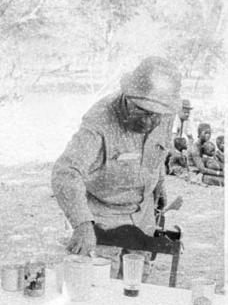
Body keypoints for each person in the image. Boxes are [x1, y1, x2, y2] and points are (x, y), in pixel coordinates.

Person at [51, 56, 182, 279]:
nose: (149, 121)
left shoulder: (165, 111)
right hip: (101, 216)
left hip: (142, 215)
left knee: (136, 283)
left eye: (155, 115)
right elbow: (66, 172)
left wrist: (158, 183)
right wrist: (82, 224)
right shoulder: (100, 120)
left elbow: (158, 151)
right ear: (128, 96)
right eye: (142, 110)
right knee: (98, 286)